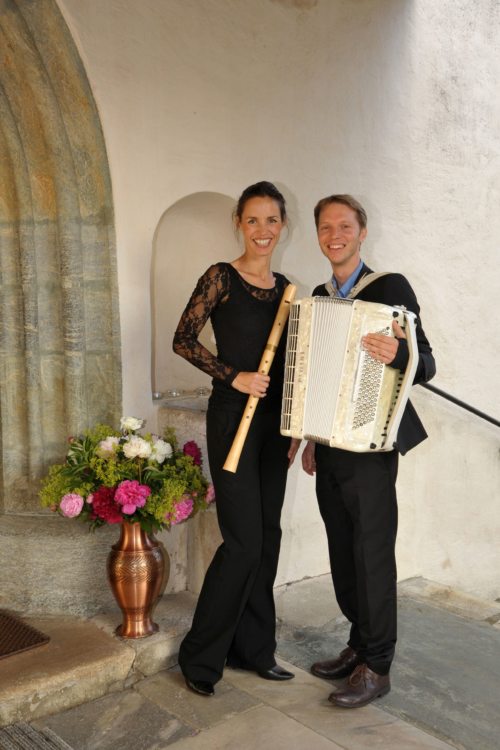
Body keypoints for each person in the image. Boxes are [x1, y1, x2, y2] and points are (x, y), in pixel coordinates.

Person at [297, 194, 436, 708]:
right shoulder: (319, 294)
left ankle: (378, 666)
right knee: (341, 547)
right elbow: (317, 372)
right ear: (318, 235)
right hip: (330, 444)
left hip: (373, 442)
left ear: (362, 233)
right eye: (326, 227)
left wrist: (400, 351)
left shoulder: (391, 288)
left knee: (371, 552)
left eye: (345, 226)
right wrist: (311, 437)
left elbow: (427, 364)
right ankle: (358, 644)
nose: (335, 234)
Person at [173, 181, 295, 697]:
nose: (262, 231)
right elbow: (183, 338)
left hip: (273, 429)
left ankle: (254, 650)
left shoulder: (288, 288)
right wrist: (233, 375)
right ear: (239, 225)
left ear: (282, 226)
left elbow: (292, 365)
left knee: (267, 538)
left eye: (271, 221)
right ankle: (199, 658)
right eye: (253, 220)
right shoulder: (221, 277)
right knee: (243, 542)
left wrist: (293, 426)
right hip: (232, 420)